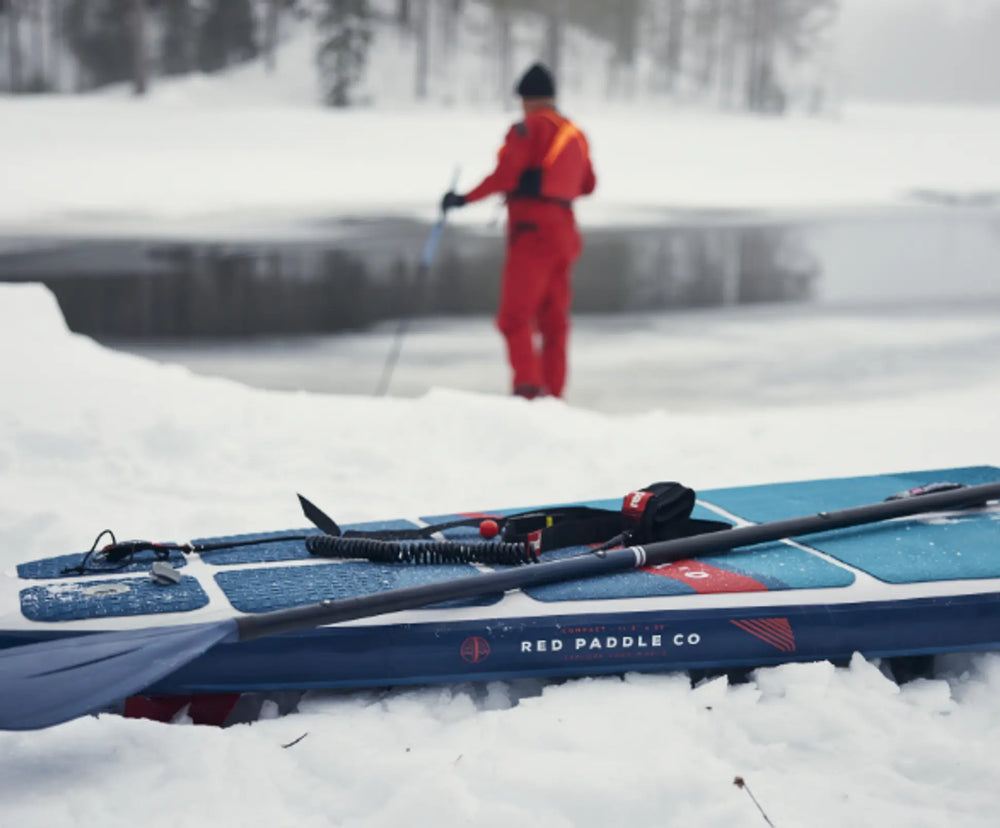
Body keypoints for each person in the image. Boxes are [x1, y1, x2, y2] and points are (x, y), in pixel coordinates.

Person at [441, 62, 596, 399]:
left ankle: (527, 390)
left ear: (526, 99)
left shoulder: (527, 129)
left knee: (514, 317)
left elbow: (505, 177)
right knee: (554, 322)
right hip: (566, 234)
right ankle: (554, 395)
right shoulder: (575, 134)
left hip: (532, 232)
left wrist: (463, 198)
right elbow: (588, 185)